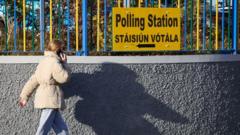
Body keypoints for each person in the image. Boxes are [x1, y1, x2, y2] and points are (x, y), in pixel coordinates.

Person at [19, 40, 71, 135]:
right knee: (42, 130)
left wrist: (24, 96)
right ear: (58, 51)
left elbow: (33, 80)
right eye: (62, 50)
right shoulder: (55, 63)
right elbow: (64, 77)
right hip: (50, 100)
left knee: (63, 130)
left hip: (48, 100)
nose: (64, 52)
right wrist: (65, 64)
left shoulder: (43, 62)